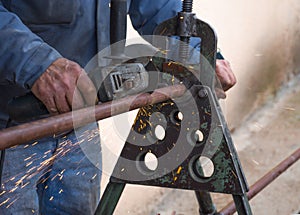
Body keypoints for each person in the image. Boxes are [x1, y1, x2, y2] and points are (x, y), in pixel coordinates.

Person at [0, 0, 236, 214]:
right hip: (10, 125)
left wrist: (199, 54)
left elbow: (156, 3)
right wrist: (36, 63)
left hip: (81, 122)